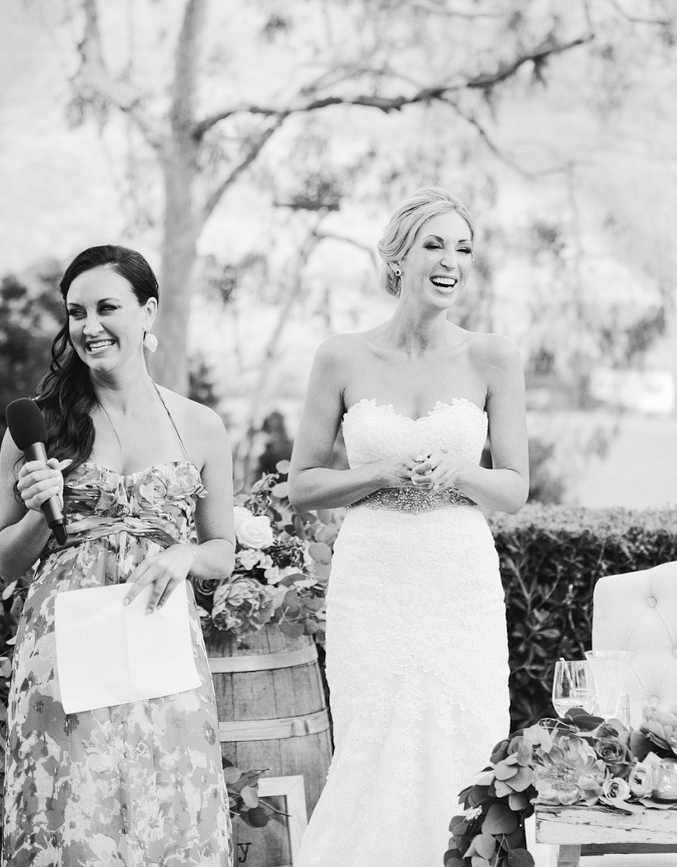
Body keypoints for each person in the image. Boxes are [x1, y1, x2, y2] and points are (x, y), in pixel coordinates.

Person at [289, 187, 528, 866]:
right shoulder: (340, 357)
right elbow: (304, 483)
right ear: (397, 259)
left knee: (469, 735)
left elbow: (512, 488)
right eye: (435, 244)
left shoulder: (493, 358)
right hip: (373, 577)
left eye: (463, 248)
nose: (451, 260)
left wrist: (456, 472)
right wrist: (383, 471)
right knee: (373, 746)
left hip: (459, 576)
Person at [0, 245, 235, 866]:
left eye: (107, 308)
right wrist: (37, 512)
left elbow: (222, 551)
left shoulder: (200, 425)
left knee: (169, 804)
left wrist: (184, 555)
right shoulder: (38, 428)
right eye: (76, 313)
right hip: (63, 648)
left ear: (148, 312)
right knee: (73, 814)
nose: (89, 327)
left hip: (160, 642)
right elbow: (4, 562)